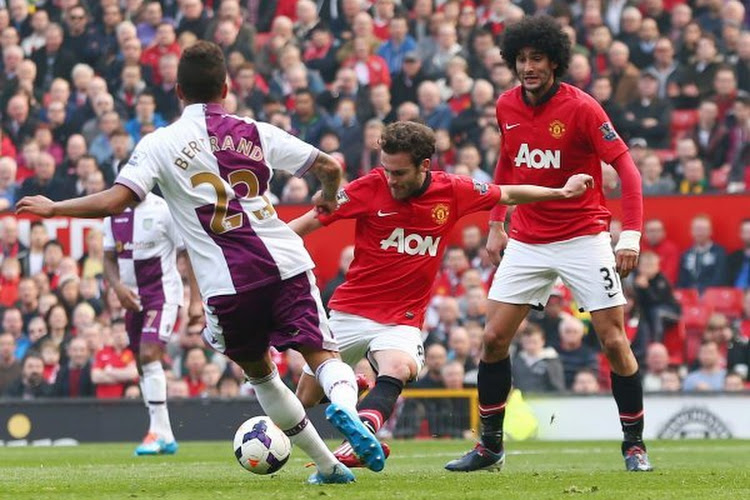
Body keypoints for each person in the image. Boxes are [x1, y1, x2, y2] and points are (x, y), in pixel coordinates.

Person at [16, 41, 379, 485]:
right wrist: (326, 197)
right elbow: (327, 164)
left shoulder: (160, 144)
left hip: (227, 285)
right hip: (286, 262)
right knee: (323, 357)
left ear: (177, 90)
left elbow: (116, 201)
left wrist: (55, 209)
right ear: (226, 87)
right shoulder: (255, 131)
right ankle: (344, 404)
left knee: (262, 376)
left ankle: (328, 466)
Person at [290, 120, 593, 467]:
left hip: (401, 319)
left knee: (399, 367)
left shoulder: (453, 190)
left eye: (399, 172)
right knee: (305, 400)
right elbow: (310, 221)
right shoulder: (370, 187)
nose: (391, 179)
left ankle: (362, 429)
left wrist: (562, 193)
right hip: (349, 312)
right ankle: (351, 391)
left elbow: (507, 193)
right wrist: (259, 249)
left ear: (424, 165)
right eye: (387, 170)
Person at [445, 16, 653, 473]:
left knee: (614, 340)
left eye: (536, 58)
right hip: (528, 239)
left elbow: (629, 172)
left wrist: (631, 236)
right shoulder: (505, 105)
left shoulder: (583, 109)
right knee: (493, 339)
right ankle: (490, 447)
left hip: (584, 236)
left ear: (554, 61)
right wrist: (498, 222)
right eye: (520, 59)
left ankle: (634, 445)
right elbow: (507, 163)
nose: (527, 67)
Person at [102, 182, 184, 455]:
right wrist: (118, 288)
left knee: (150, 355)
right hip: (131, 299)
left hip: (162, 294)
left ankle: (156, 433)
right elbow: (109, 258)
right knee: (141, 362)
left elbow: (186, 252)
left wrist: (196, 300)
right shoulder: (112, 212)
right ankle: (166, 434)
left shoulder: (164, 209)